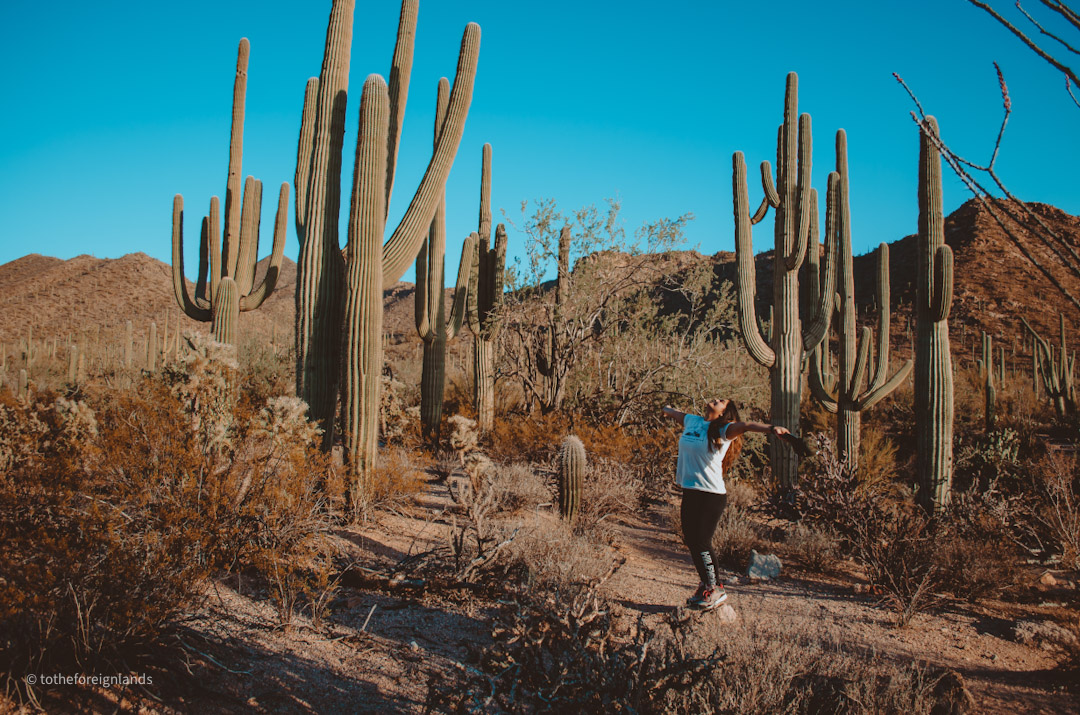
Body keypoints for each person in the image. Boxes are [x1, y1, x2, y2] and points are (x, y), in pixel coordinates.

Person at [661, 399, 792, 611]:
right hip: (690, 490)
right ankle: (705, 585)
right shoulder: (693, 422)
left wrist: (771, 429)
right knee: (692, 540)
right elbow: (673, 412)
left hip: (710, 495)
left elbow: (747, 426)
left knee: (702, 541)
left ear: (724, 412)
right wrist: (665, 409)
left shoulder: (724, 430)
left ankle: (716, 589)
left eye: (722, 402)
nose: (716, 399)